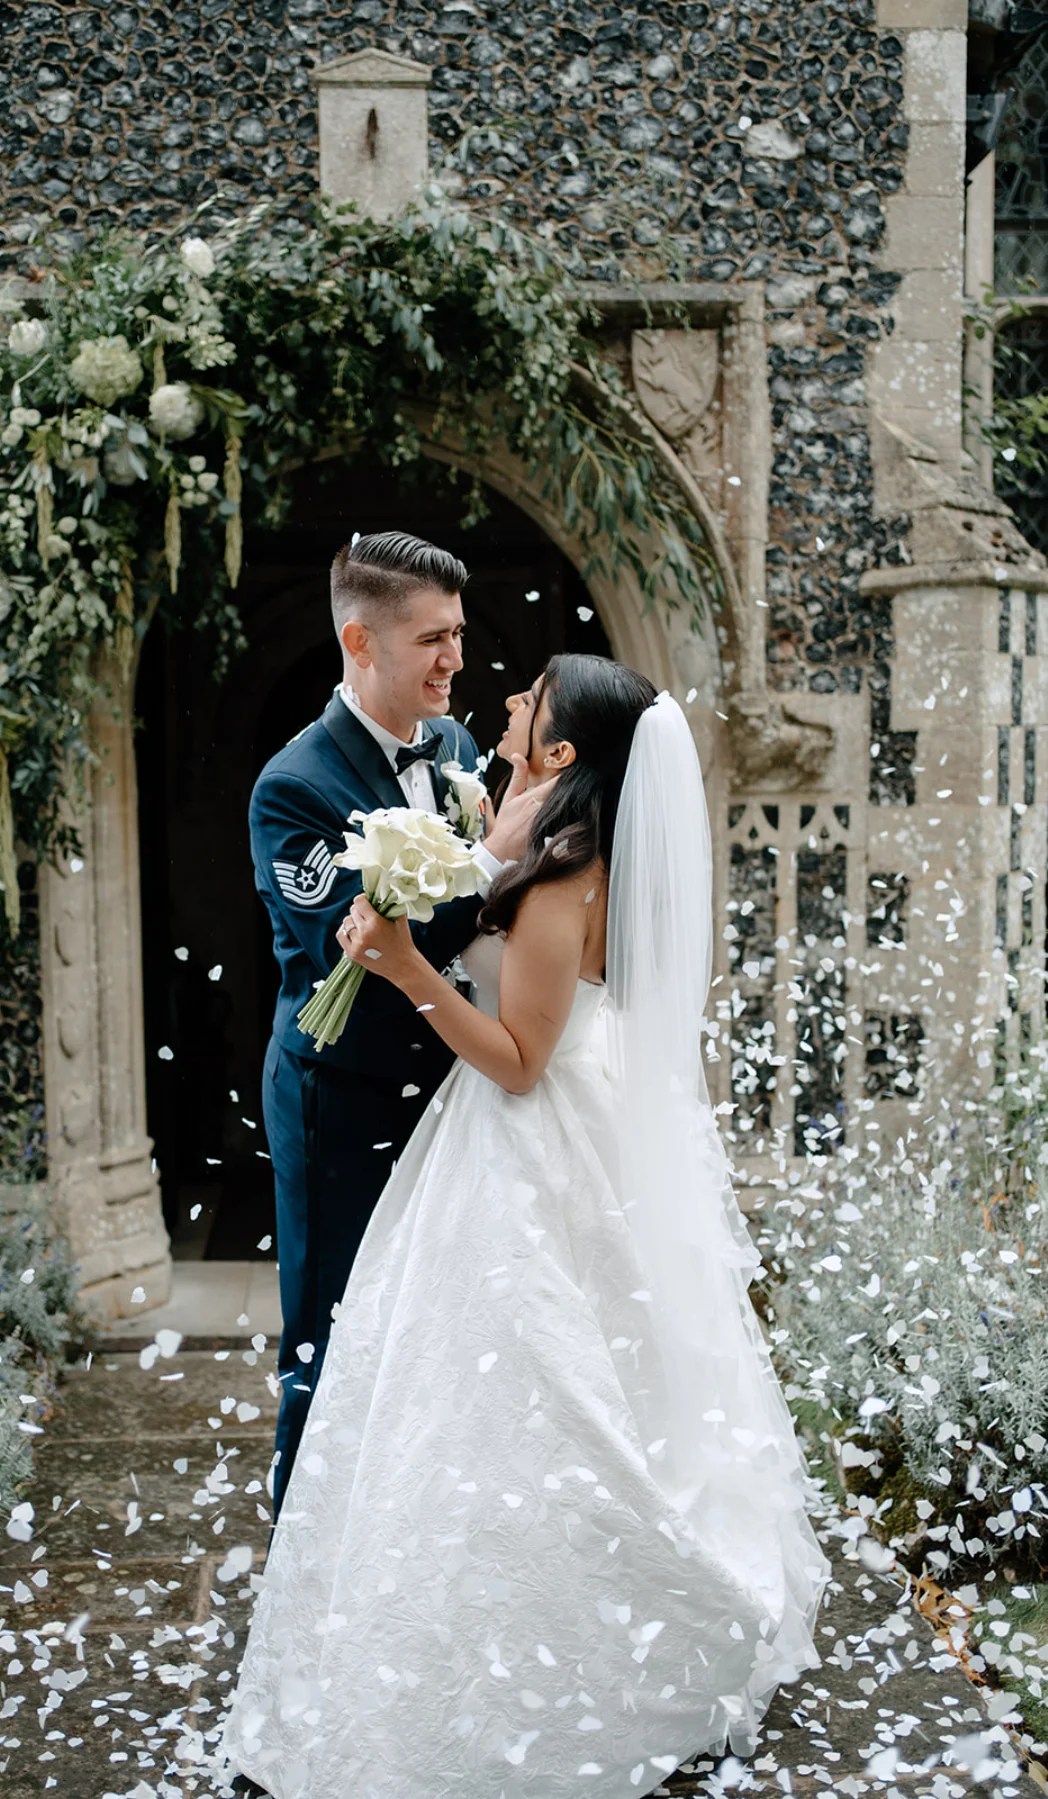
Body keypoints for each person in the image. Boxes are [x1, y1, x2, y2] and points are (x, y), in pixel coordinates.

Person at [222, 653, 830, 1799]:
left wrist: (402, 964)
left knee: (536, 1375)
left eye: (530, 701)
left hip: (536, 1129)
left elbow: (517, 1059)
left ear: (558, 751)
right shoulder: (529, 815)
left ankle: (571, 1623)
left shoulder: (570, 872)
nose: (502, 701)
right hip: (511, 1128)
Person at [249, 531, 546, 1511]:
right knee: (330, 1330)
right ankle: (300, 1552)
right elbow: (357, 953)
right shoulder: (294, 789)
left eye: (457, 634)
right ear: (360, 641)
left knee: (433, 1328)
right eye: (430, 639)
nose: (455, 658)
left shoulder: (457, 749)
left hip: (449, 1088)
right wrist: (498, 851)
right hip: (341, 1091)